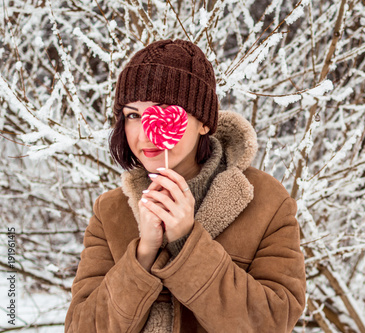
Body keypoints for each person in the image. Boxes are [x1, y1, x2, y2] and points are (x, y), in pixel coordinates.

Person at [65, 39, 306, 333]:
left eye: (163, 112)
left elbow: (272, 322)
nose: (146, 134)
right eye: (133, 115)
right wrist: (143, 255)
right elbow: (81, 327)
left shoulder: (266, 201)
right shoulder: (110, 211)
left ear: (204, 122)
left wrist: (187, 242)